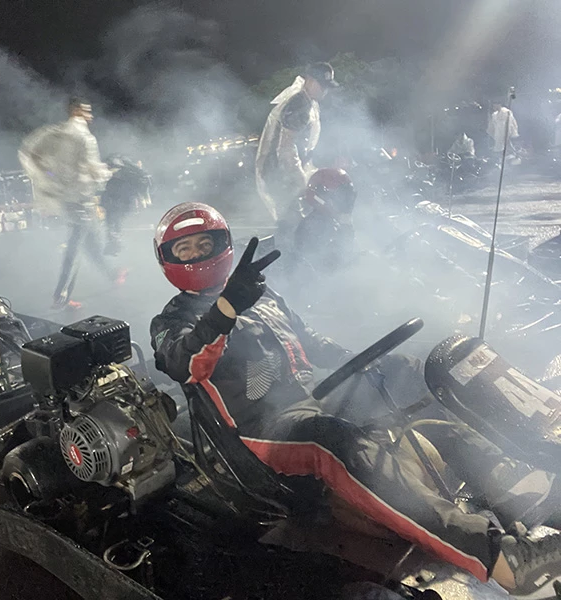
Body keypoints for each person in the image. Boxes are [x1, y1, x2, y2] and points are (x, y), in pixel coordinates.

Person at [150, 201, 561, 599]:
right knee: (338, 441)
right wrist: (227, 307)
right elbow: (185, 364)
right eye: (184, 249)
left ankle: (522, 487)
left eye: (204, 244)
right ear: (168, 260)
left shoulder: (262, 295)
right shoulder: (172, 321)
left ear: (223, 245)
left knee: (406, 376)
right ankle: (501, 559)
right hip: (261, 436)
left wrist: (364, 359)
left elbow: (308, 341)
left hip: (312, 402)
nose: (196, 255)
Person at [19, 96, 124, 309]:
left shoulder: (54, 134)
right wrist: (109, 172)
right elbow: (92, 168)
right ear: (75, 111)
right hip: (80, 200)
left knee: (91, 242)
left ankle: (112, 274)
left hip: (68, 198)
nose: (90, 116)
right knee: (75, 247)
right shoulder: (84, 137)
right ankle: (61, 295)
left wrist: (50, 177)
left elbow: (31, 152)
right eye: (86, 111)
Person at [255, 62, 338, 226]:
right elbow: (286, 147)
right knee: (291, 222)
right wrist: (300, 180)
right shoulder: (299, 104)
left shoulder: (307, 102)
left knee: (296, 220)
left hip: (283, 173)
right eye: (322, 85)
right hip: (280, 173)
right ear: (310, 81)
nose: (325, 90)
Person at [100, 154, 152, 256]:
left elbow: (109, 187)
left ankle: (114, 244)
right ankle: (115, 243)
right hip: (122, 200)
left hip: (115, 200)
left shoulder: (115, 171)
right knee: (116, 222)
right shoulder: (128, 171)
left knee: (112, 222)